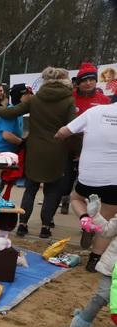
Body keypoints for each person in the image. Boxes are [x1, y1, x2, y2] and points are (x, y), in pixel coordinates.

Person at [0, 67, 76, 239]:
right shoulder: (69, 101)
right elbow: (73, 127)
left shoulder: (35, 99)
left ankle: (22, 224)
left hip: (34, 149)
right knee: (52, 191)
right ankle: (45, 226)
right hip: (57, 150)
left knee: (30, 189)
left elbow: (10, 113)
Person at [55, 100, 117, 272]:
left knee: (76, 198)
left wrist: (58, 137)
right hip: (114, 179)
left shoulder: (95, 111)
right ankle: (94, 260)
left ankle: (85, 219)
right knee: (105, 224)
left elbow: (63, 132)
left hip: (89, 175)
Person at [60, 62, 112, 215]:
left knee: (89, 182)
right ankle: (65, 199)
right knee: (66, 180)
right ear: (78, 83)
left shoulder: (104, 100)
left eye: (91, 79)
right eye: (84, 80)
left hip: (94, 148)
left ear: (96, 81)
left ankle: (89, 212)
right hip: (70, 145)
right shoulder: (70, 98)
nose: (88, 83)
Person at [68, 194, 117, 327]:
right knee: (102, 296)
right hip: (113, 267)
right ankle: (81, 324)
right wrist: (95, 215)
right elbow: (107, 231)